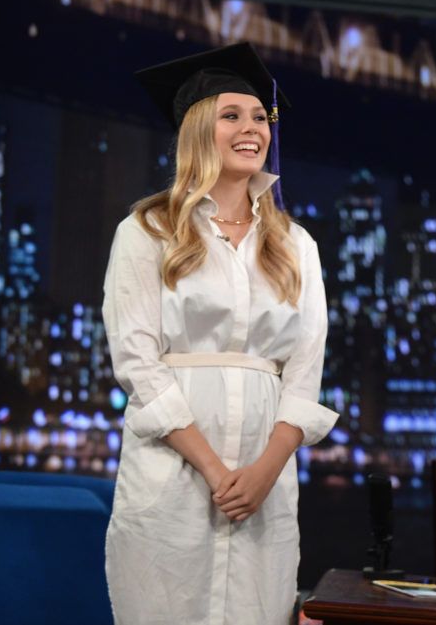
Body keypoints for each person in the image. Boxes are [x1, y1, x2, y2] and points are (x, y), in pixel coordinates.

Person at [102, 43, 338, 625]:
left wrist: (263, 473)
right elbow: (138, 362)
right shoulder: (146, 231)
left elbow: (305, 371)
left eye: (259, 116)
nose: (251, 128)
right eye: (232, 114)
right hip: (174, 475)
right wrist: (214, 469)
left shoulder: (295, 244)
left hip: (267, 482)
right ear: (198, 129)